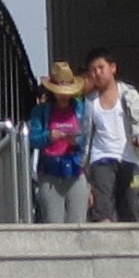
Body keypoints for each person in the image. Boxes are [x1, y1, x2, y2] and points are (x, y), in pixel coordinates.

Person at [80, 53, 139, 225]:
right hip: (100, 158)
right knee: (102, 208)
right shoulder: (90, 101)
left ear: (113, 68)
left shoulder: (129, 94)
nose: (97, 73)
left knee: (129, 208)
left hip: (127, 157)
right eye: (93, 70)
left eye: (101, 68)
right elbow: (86, 132)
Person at [25, 63, 89, 223]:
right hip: (50, 173)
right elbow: (33, 140)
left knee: (79, 223)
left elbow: (90, 137)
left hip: (76, 171)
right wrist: (49, 137)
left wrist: (77, 140)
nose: (63, 95)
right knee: (54, 223)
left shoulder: (82, 109)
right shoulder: (40, 111)